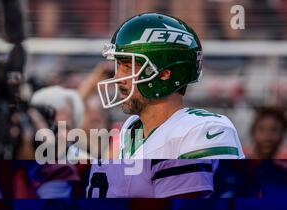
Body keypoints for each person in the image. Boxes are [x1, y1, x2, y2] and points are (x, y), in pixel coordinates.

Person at [88, 12, 244, 198]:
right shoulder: (131, 129)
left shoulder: (203, 130)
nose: (118, 78)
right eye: (118, 65)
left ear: (164, 74)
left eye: (128, 66)